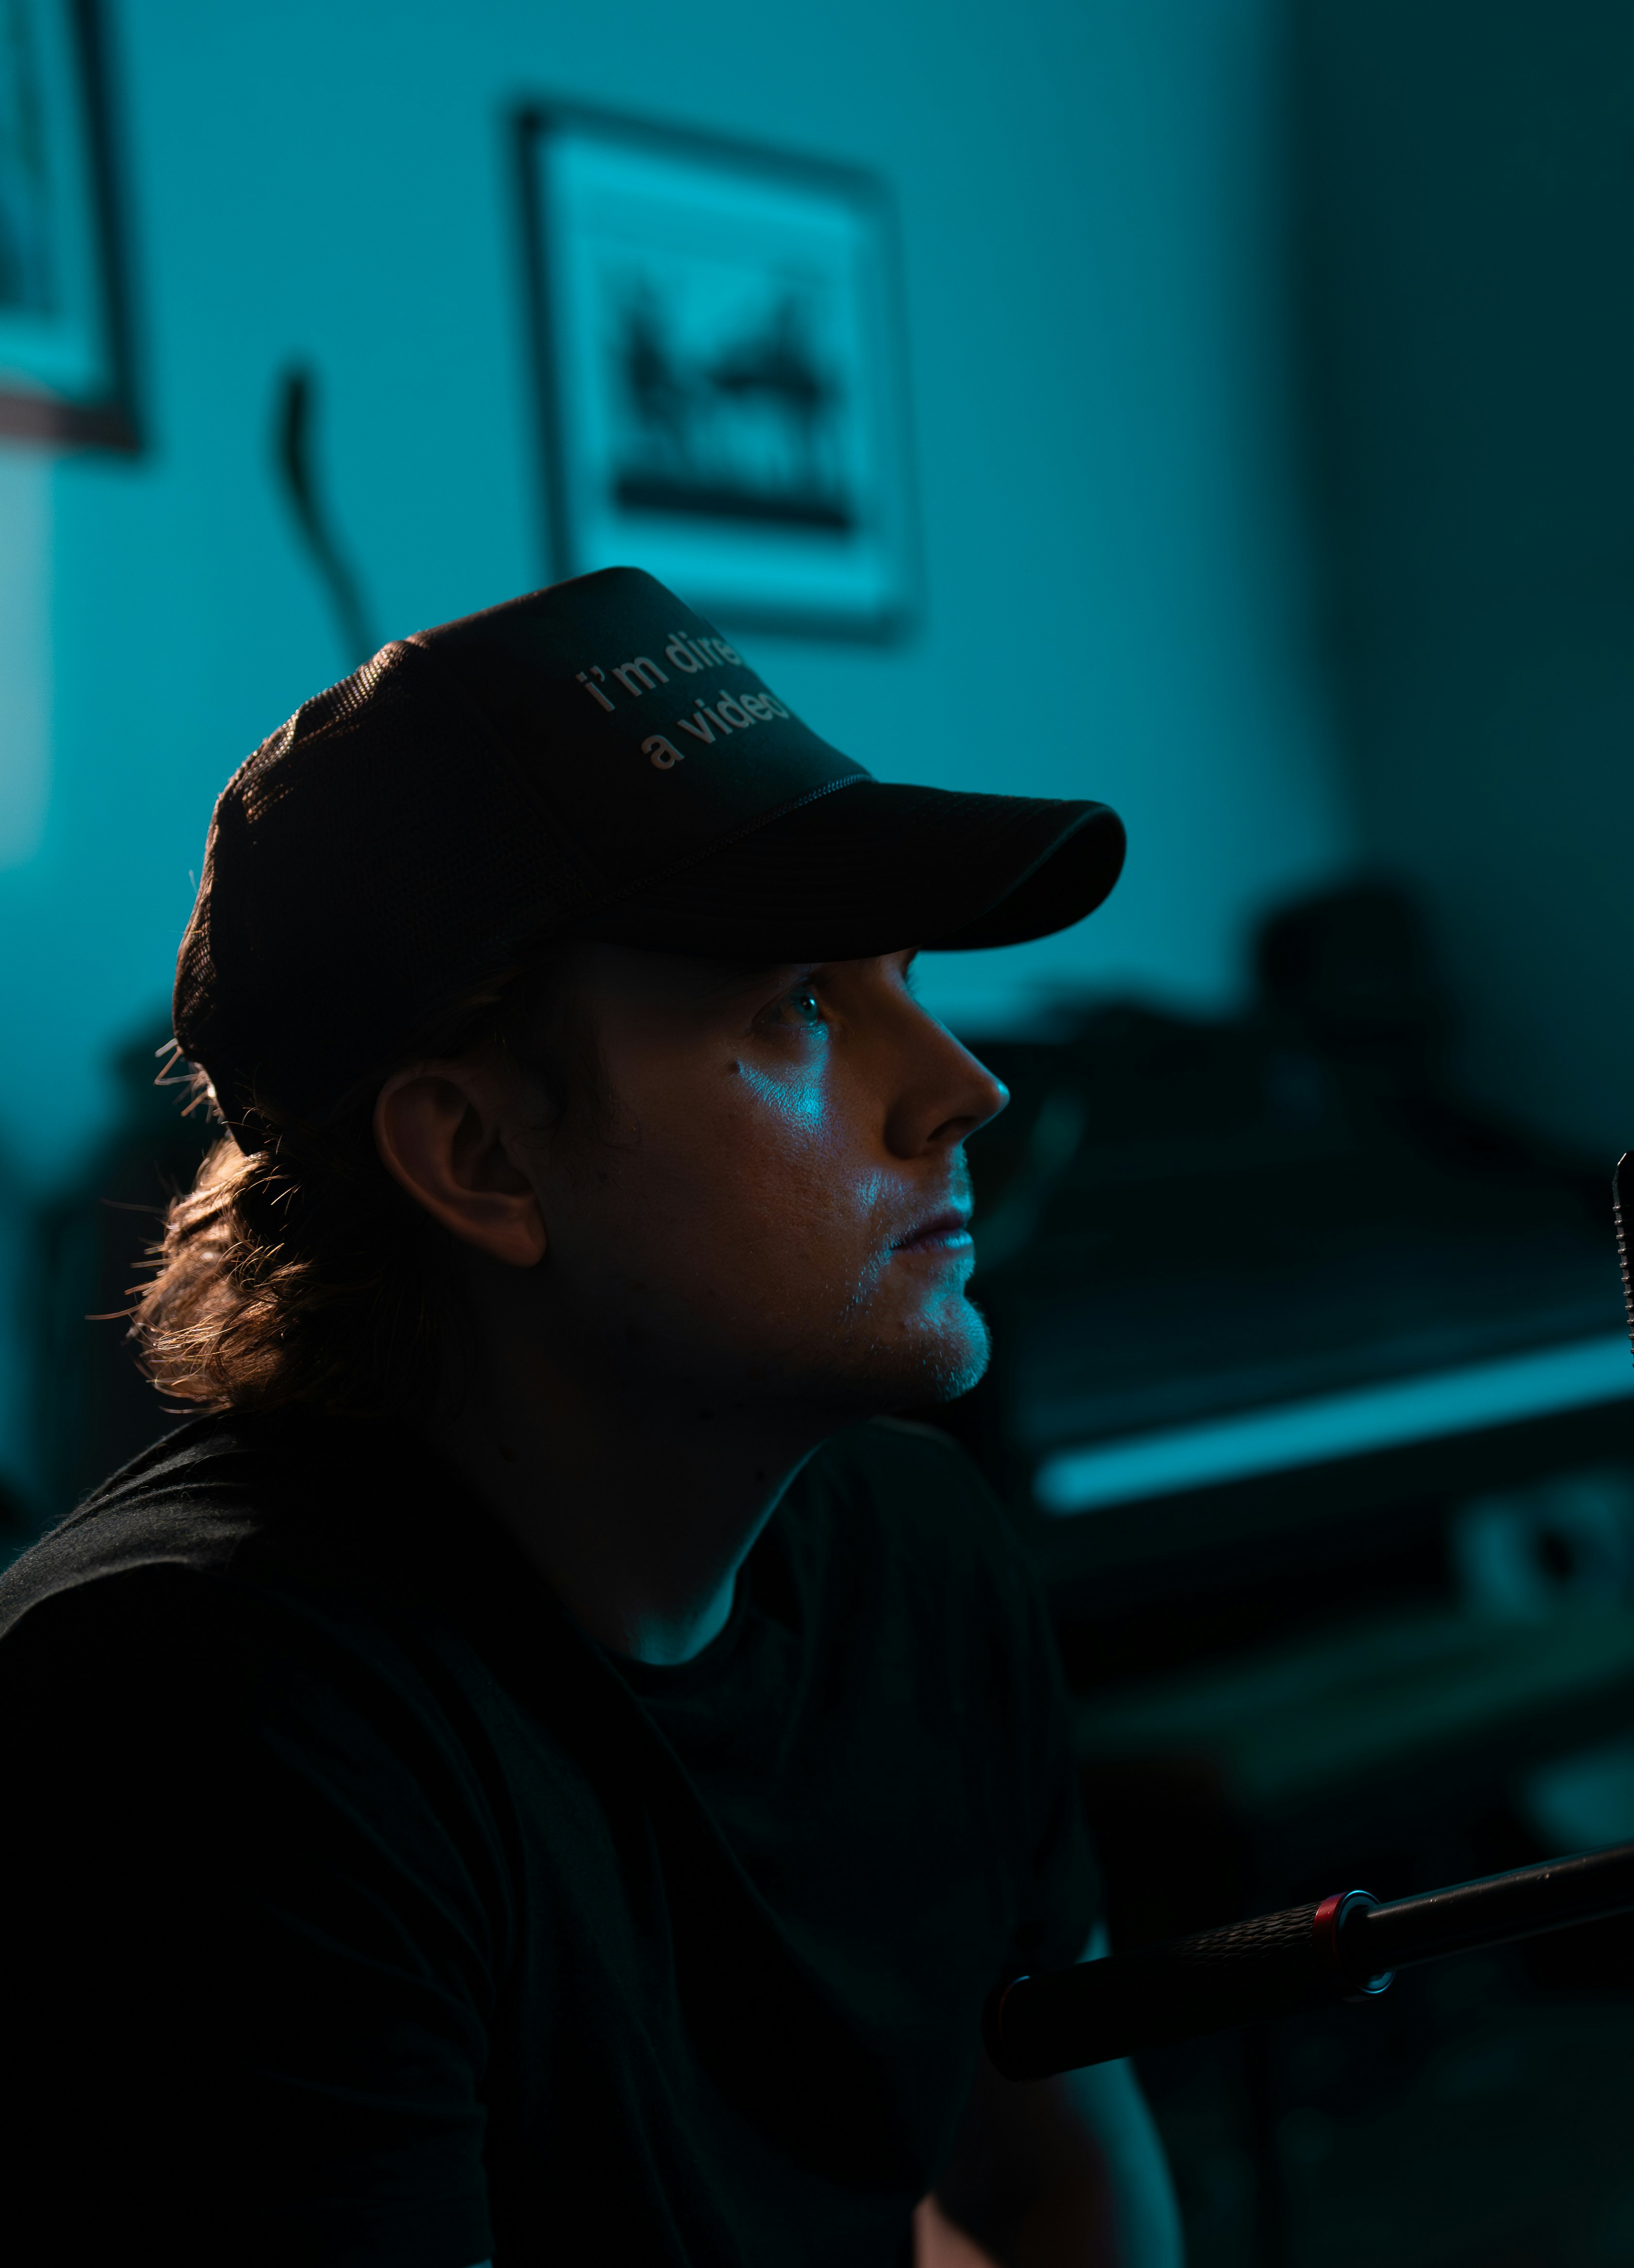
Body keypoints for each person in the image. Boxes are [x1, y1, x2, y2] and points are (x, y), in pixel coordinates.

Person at [0, 568, 1182, 2267]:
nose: (965, 1087)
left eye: (907, 977)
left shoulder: (916, 1552)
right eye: (801, 1008)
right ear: (482, 1157)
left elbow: (1052, 2185)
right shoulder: (201, 1720)